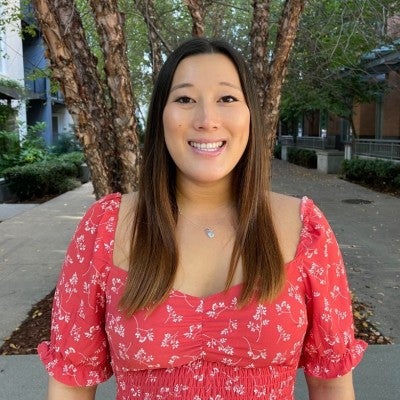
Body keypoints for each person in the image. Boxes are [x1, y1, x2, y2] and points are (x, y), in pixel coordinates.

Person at [38, 37, 367, 400]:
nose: (206, 120)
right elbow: (70, 386)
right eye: (184, 99)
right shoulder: (104, 228)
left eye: (226, 98)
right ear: (161, 115)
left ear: (250, 115)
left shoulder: (307, 229)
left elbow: (332, 384)